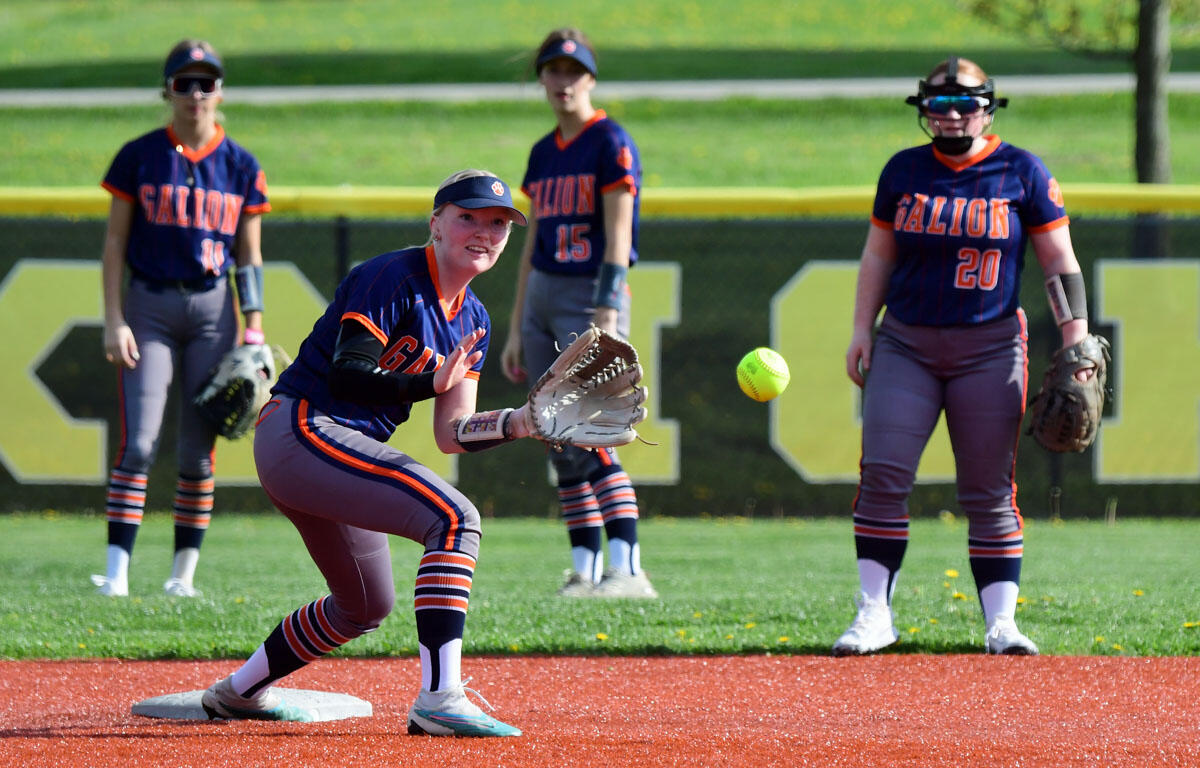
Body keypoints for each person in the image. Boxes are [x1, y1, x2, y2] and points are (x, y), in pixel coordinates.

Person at [201, 170, 536, 736]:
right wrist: (427, 382)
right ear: (435, 222)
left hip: (331, 452)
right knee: (455, 519)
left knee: (364, 606)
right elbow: (349, 372)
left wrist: (520, 422)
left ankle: (238, 692)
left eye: (499, 224)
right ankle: (439, 698)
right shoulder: (391, 276)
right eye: (468, 218)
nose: (485, 232)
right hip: (302, 429)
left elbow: (452, 432)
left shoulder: (473, 318)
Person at [836, 56, 1095, 656]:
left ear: (989, 106)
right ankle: (875, 612)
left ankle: (1001, 624)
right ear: (922, 108)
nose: (952, 115)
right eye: (939, 104)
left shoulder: (1021, 171)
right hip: (906, 342)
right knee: (883, 474)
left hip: (990, 344)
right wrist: (861, 328)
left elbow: (1060, 262)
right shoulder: (903, 170)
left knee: (989, 490)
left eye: (965, 103)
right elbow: (879, 256)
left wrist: (1076, 339)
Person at [92, 39, 270, 598]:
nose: (196, 93)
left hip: (213, 311)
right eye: (184, 82)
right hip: (148, 306)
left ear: (220, 91)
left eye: (206, 82)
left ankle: (181, 578)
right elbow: (115, 244)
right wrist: (114, 317)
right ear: (167, 89)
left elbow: (249, 256)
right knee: (139, 442)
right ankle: (117, 572)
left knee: (198, 450)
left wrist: (255, 326)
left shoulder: (240, 164)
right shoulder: (139, 155)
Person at [500, 28, 656, 599]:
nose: (563, 81)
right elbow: (532, 243)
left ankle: (627, 569)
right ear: (541, 77)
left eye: (573, 70)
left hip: (587, 297)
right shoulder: (544, 153)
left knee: (595, 433)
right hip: (544, 294)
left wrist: (609, 313)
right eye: (553, 70)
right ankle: (586, 569)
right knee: (556, 438)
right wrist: (518, 325)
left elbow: (619, 238)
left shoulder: (610, 141)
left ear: (590, 77)